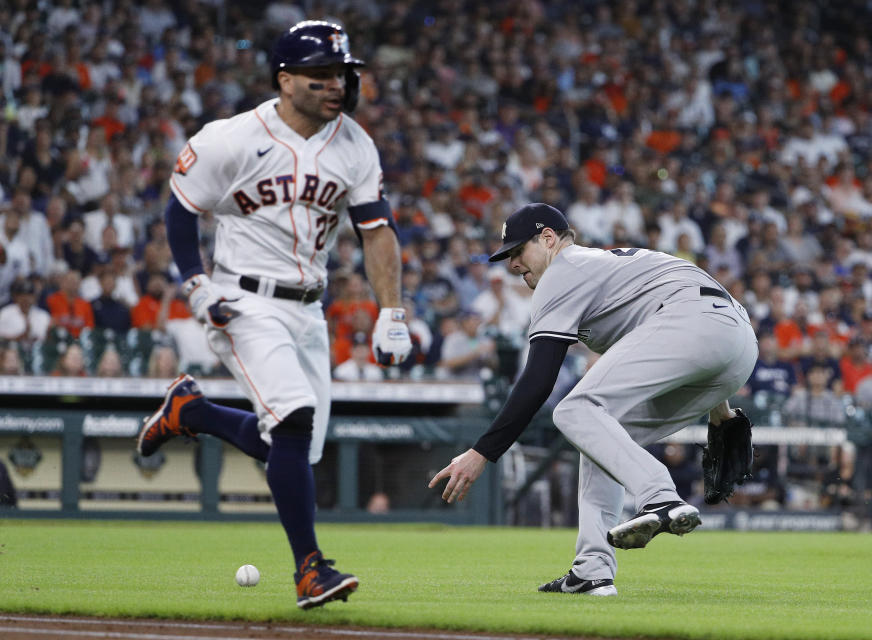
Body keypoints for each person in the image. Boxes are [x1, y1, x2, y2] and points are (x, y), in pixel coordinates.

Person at [135, 21, 411, 610]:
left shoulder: (355, 144)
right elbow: (181, 212)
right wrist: (197, 285)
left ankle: (193, 411)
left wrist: (393, 309)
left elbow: (377, 231)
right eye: (319, 77)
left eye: (340, 73)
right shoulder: (231, 138)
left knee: (295, 449)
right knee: (293, 417)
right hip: (243, 299)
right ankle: (310, 569)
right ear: (284, 80)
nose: (335, 85)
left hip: (309, 310)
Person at [429, 203, 758, 596]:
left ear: (548, 239)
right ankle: (592, 569)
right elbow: (695, 311)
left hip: (694, 323)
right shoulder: (602, 268)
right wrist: (720, 411)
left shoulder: (564, 270)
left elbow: (537, 382)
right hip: (737, 343)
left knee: (575, 409)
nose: (513, 264)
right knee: (599, 433)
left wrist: (481, 452)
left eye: (518, 252)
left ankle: (660, 497)